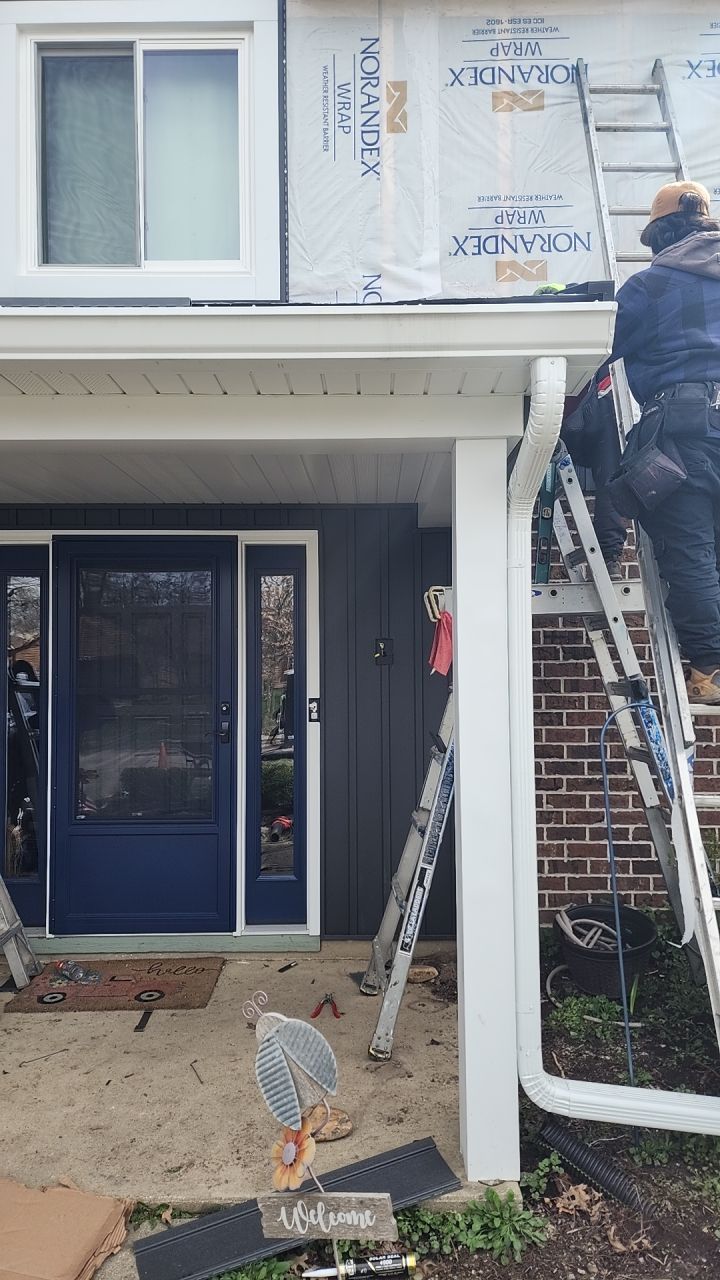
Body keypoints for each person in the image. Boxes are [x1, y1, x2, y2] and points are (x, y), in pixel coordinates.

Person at [609, 180, 720, 703]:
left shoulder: (648, 287)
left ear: (660, 235)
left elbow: (599, 352)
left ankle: (710, 670)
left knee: (691, 550)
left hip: (682, 428)